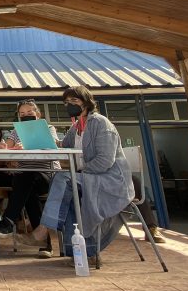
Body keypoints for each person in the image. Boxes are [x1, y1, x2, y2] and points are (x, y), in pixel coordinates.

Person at [22, 86, 134, 258]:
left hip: (109, 180)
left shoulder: (100, 123)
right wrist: (38, 135)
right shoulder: (76, 127)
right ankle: (79, 252)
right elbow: (60, 146)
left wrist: (79, 171)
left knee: (63, 179)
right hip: (89, 178)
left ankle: (43, 230)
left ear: (87, 102)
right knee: (64, 186)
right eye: (66, 103)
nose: (69, 105)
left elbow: (105, 161)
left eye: (74, 101)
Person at [0, 100, 59, 257]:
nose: (26, 116)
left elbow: (53, 145)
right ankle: (45, 244)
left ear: (38, 115)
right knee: (27, 186)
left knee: (26, 178)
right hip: (26, 178)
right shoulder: (16, 131)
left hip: (47, 176)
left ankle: (8, 221)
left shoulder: (48, 128)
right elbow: (7, 147)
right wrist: (5, 147)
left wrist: (30, 146)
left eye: (29, 113)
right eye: (22, 114)